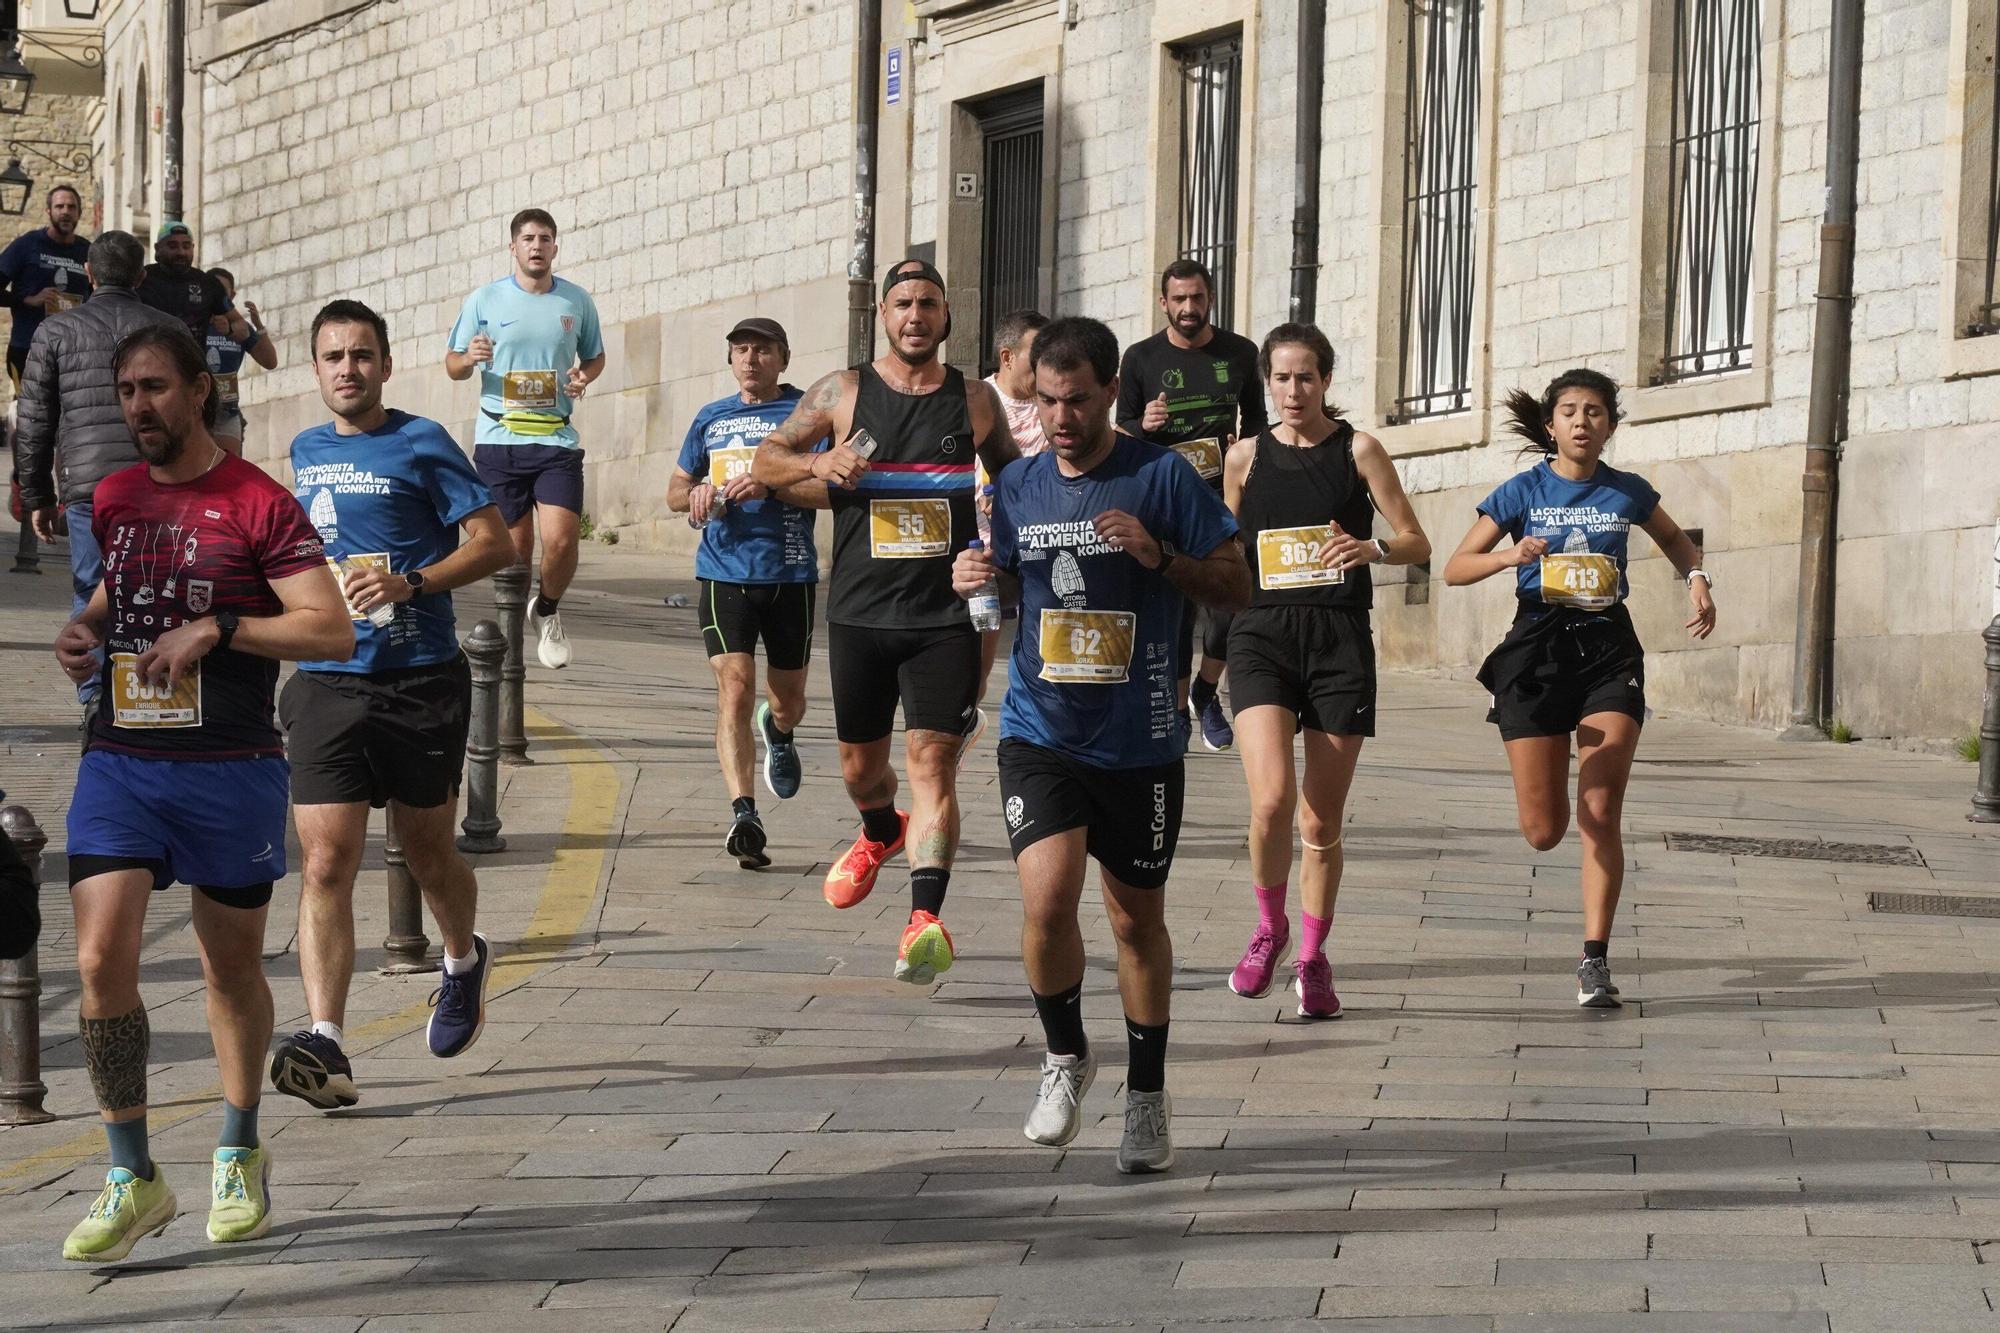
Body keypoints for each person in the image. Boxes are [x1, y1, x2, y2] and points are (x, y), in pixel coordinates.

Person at [51, 324, 352, 1262]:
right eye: (125, 392)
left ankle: (237, 1146)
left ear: (199, 391)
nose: (137, 407)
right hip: (122, 762)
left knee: (229, 970)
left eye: (152, 388)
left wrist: (220, 628)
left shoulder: (259, 503)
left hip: (231, 768)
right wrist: (85, 627)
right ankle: (131, 1170)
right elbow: (123, 596)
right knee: (101, 959)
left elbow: (329, 630)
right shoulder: (113, 497)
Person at [953, 315, 1248, 1172]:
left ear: (1114, 392)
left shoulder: (1161, 476)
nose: (1062, 418)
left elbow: (1236, 584)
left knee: (1135, 920)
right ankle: (1065, 1055)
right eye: (1046, 401)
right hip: (1041, 727)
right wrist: (979, 579)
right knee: (1046, 903)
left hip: (1143, 738)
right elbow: (1005, 578)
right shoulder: (1018, 487)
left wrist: (1160, 558)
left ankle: (1148, 1095)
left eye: (1078, 401)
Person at [269, 299, 515, 1111]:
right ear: (315, 368)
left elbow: (493, 541)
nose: (348, 368)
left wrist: (410, 581)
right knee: (326, 861)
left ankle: (461, 958)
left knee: (426, 853)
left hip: (419, 675)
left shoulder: (422, 442)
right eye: (334, 356)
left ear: (385, 363)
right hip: (328, 681)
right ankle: (328, 1041)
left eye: (362, 355)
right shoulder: (303, 451)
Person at [752, 259, 1018, 984]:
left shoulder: (974, 400)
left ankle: (923, 921)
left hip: (944, 617)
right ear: (883, 313)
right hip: (861, 615)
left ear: (946, 317)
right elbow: (767, 459)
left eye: (929, 303)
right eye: (903, 303)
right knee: (863, 772)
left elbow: (1019, 482)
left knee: (932, 764)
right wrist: (823, 461)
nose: (915, 315)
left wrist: (1000, 556)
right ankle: (880, 829)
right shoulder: (840, 392)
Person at [1442, 369, 1715, 1007]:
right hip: (1536, 649)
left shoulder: (1627, 492)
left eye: (1595, 412)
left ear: (1610, 426)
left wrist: (1698, 578)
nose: (1583, 422)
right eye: (1570, 411)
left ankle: (1595, 959)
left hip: (1606, 650)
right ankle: (1547, 778)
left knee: (1600, 809)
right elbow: (1456, 569)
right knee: (1545, 831)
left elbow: (1675, 539)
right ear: (1551, 426)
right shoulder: (1521, 491)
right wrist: (1508, 557)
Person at [1221, 324, 1430, 1018]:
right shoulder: (1244, 457)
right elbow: (1222, 556)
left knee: (1320, 815)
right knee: (1272, 799)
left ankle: (1312, 957)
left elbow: (1415, 540)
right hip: (1262, 637)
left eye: (1305, 377)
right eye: (1280, 378)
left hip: (1339, 640)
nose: (1292, 390)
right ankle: (1268, 927)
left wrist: (1372, 548)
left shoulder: (1360, 449)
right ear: (1266, 383)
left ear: (1326, 381)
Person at [666, 317, 829, 868]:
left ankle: (778, 732)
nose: (751, 359)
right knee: (734, 687)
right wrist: (698, 493)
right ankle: (744, 814)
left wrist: (773, 480)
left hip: (790, 575)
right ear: (731, 359)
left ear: (783, 358)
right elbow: (674, 489)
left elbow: (832, 491)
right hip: (723, 572)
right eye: (741, 350)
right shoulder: (711, 419)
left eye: (762, 350)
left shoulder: (806, 415)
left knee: (789, 700)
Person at [12, 230, 184, 717]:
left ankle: (94, 698)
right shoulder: (168, 329)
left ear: (88, 272)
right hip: (158, 483)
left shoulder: (56, 332)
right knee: (159, 585)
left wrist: (38, 495)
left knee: (92, 592)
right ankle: (157, 689)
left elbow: (35, 420)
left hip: (89, 489)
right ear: (141, 275)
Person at [445, 208, 606, 670]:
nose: (537, 246)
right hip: (500, 439)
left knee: (562, 539)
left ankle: (549, 609)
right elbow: (452, 365)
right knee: (515, 551)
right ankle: (511, 649)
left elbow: (594, 357)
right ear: (512, 247)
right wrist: (469, 358)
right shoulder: (484, 300)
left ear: (556, 247)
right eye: (528, 239)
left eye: (545, 239)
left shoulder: (575, 301)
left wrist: (582, 378)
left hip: (556, 439)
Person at [1115, 259, 1265, 753]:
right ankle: (1179, 712)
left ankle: (1206, 691)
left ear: (1210, 300)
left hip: (1225, 498)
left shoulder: (1241, 353)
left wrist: (1242, 444)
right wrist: (1146, 426)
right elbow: (1121, 431)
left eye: (1196, 298)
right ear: (1163, 303)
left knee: (1232, 603)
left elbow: (1261, 426)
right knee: (1176, 612)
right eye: (1178, 300)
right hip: (1167, 501)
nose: (1187, 308)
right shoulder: (1139, 358)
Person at [975, 310, 1049, 702]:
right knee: (976, 667)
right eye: (1037, 356)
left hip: (1041, 555)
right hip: (982, 559)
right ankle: (965, 724)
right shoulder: (975, 401)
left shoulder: (1055, 405)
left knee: (1044, 663)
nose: (1046, 365)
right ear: (1007, 357)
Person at [0, 184, 91, 389]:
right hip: (28, 350)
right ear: (48, 211)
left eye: (71, 207)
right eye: (60, 206)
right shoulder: (27, 245)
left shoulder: (87, 251)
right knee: (31, 417)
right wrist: (27, 300)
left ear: (79, 213)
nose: (66, 212)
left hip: (73, 353)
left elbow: (99, 295)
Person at [203, 268, 278, 451]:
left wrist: (259, 326)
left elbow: (269, 362)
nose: (215, 296)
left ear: (232, 295)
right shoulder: (192, 323)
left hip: (226, 412)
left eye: (221, 291)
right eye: (212, 289)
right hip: (195, 411)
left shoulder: (240, 329)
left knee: (229, 471)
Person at [136, 221, 232, 337]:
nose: (181, 252)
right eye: (173, 246)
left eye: (186, 246)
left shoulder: (208, 283)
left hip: (192, 354)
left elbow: (238, 323)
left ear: (193, 248)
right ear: (157, 248)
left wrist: (229, 329)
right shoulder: (140, 278)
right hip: (150, 352)